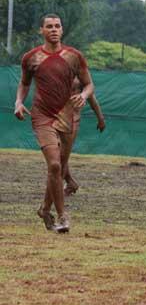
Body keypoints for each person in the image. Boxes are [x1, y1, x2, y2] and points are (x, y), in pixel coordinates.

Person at [14, 14, 94, 233]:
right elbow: (24, 83)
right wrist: (19, 102)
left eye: (57, 26)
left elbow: (89, 85)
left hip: (67, 116)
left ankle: (44, 209)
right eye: (49, 26)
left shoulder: (74, 56)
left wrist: (85, 96)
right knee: (55, 165)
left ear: (62, 29)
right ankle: (62, 217)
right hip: (42, 116)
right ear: (41, 30)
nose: (54, 30)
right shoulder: (31, 58)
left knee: (59, 168)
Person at [63, 77, 105, 196]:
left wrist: (100, 118)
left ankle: (56, 190)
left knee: (61, 157)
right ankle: (70, 182)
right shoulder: (58, 70)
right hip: (56, 119)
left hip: (72, 121)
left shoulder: (80, 76)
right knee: (55, 156)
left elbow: (91, 98)